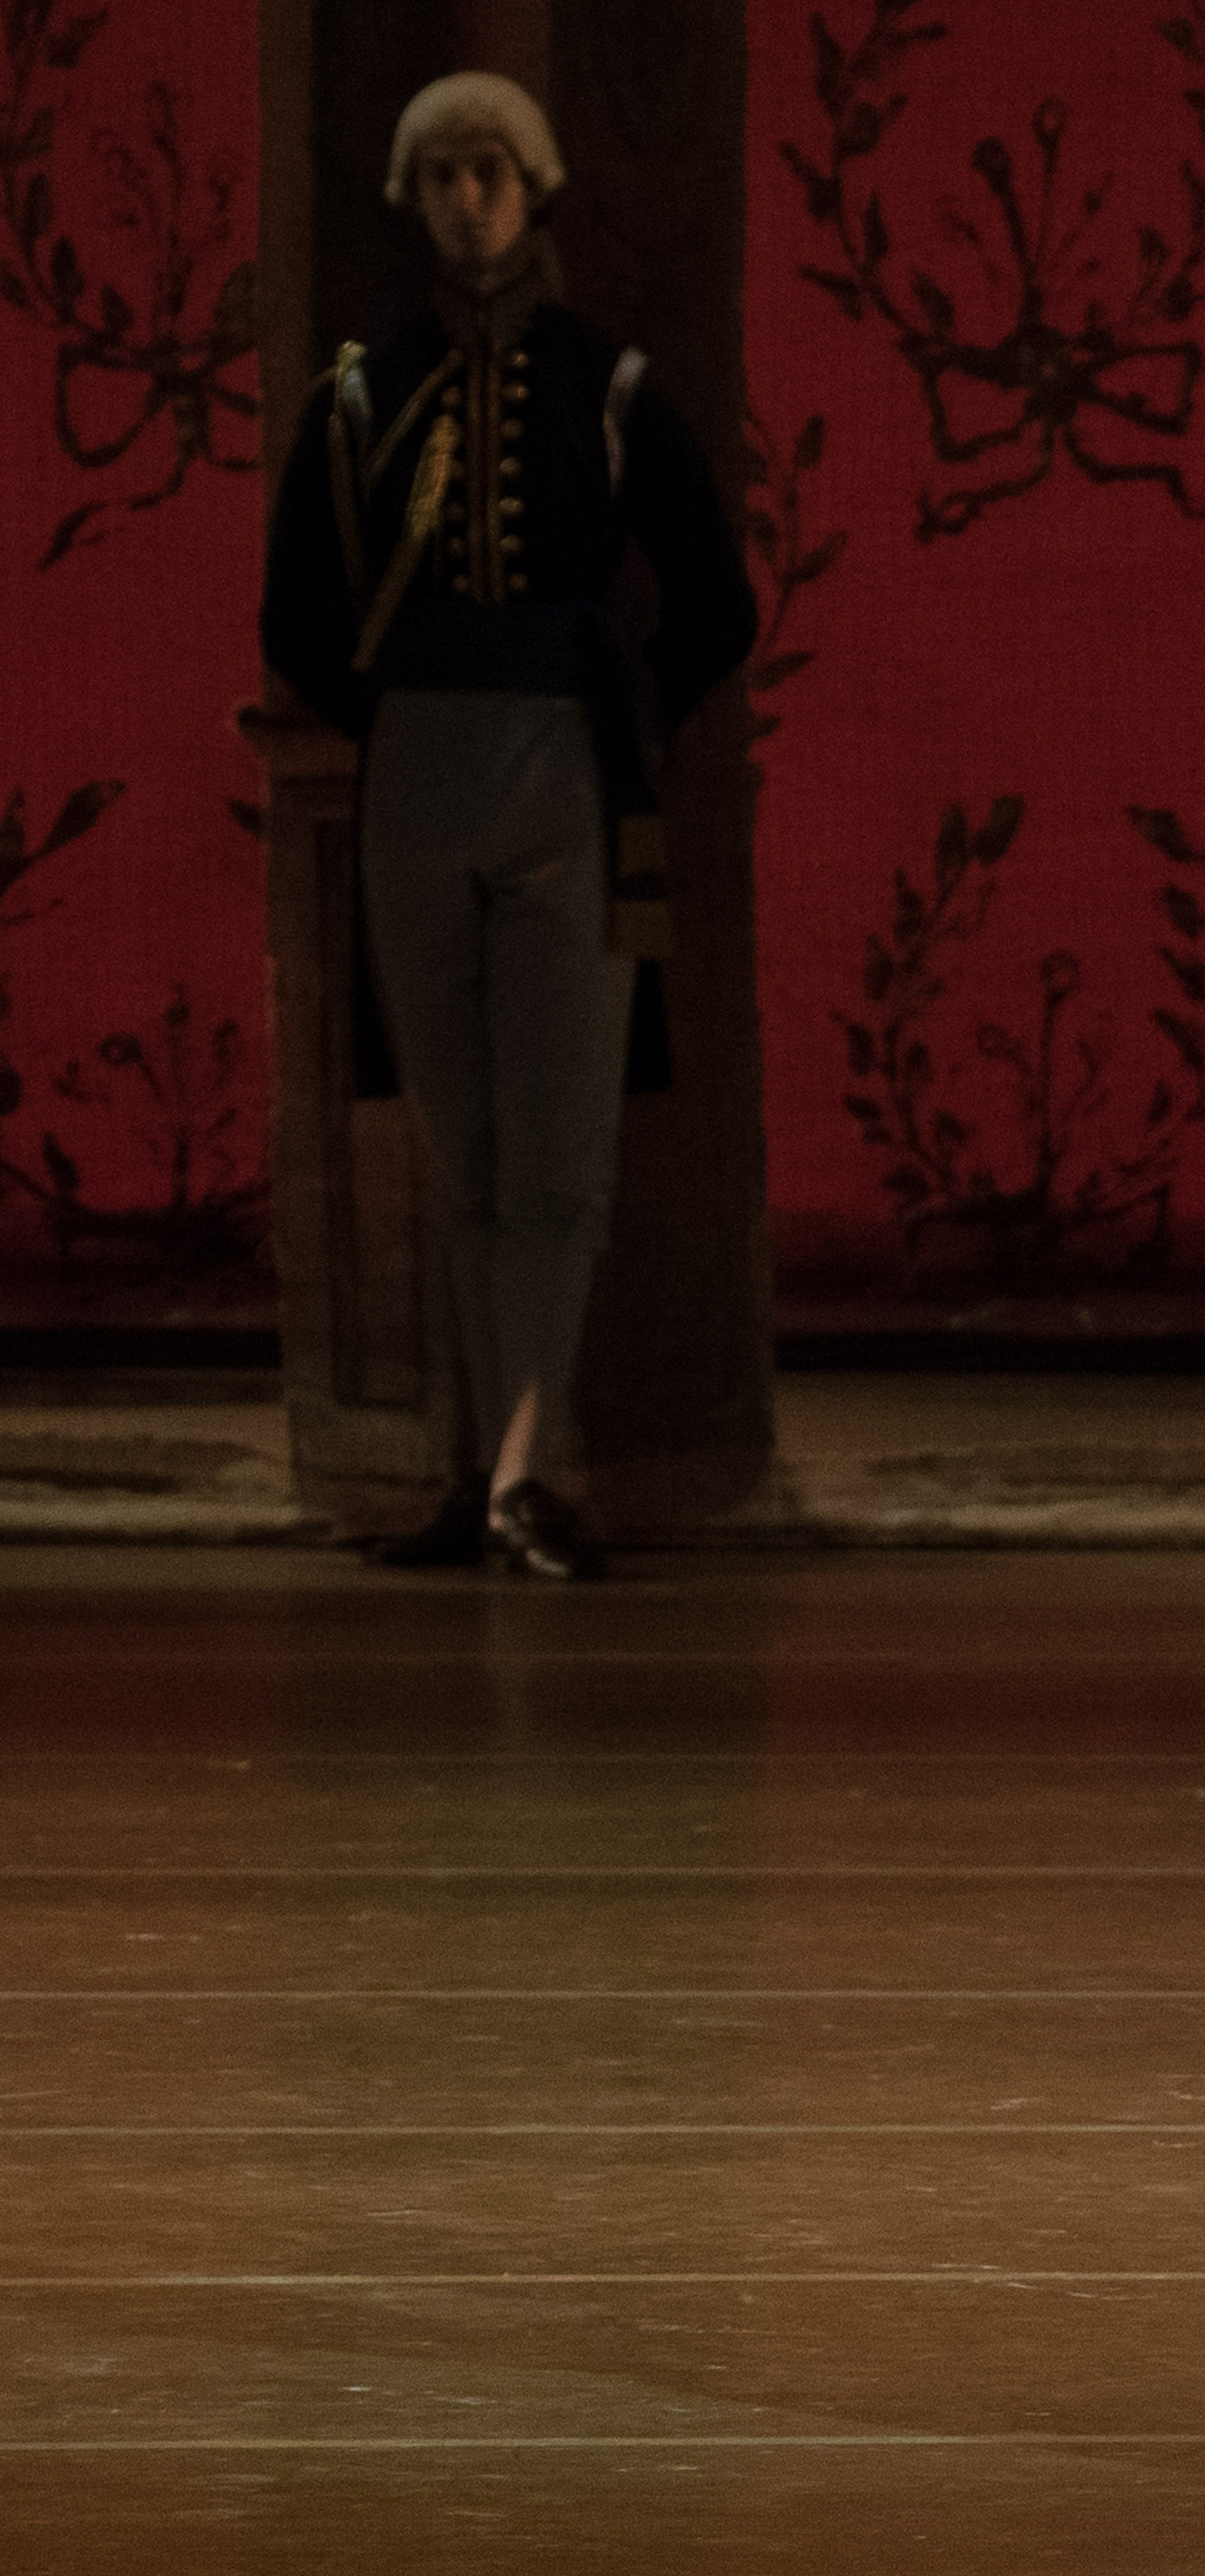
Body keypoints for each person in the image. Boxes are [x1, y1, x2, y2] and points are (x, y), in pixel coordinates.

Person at [259, 73, 756, 1582]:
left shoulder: (607, 388)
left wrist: (613, 708)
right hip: (421, 767)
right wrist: (408, 713)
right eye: (442, 177)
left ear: (533, 190)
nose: (469, 201)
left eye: (491, 173)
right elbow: (294, 610)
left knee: (560, 1144)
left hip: (570, 778)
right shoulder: (360, 397)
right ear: (411, 202)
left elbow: (716, 598)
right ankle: (485, 1466)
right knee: (461, 1144)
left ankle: (535, 1468)